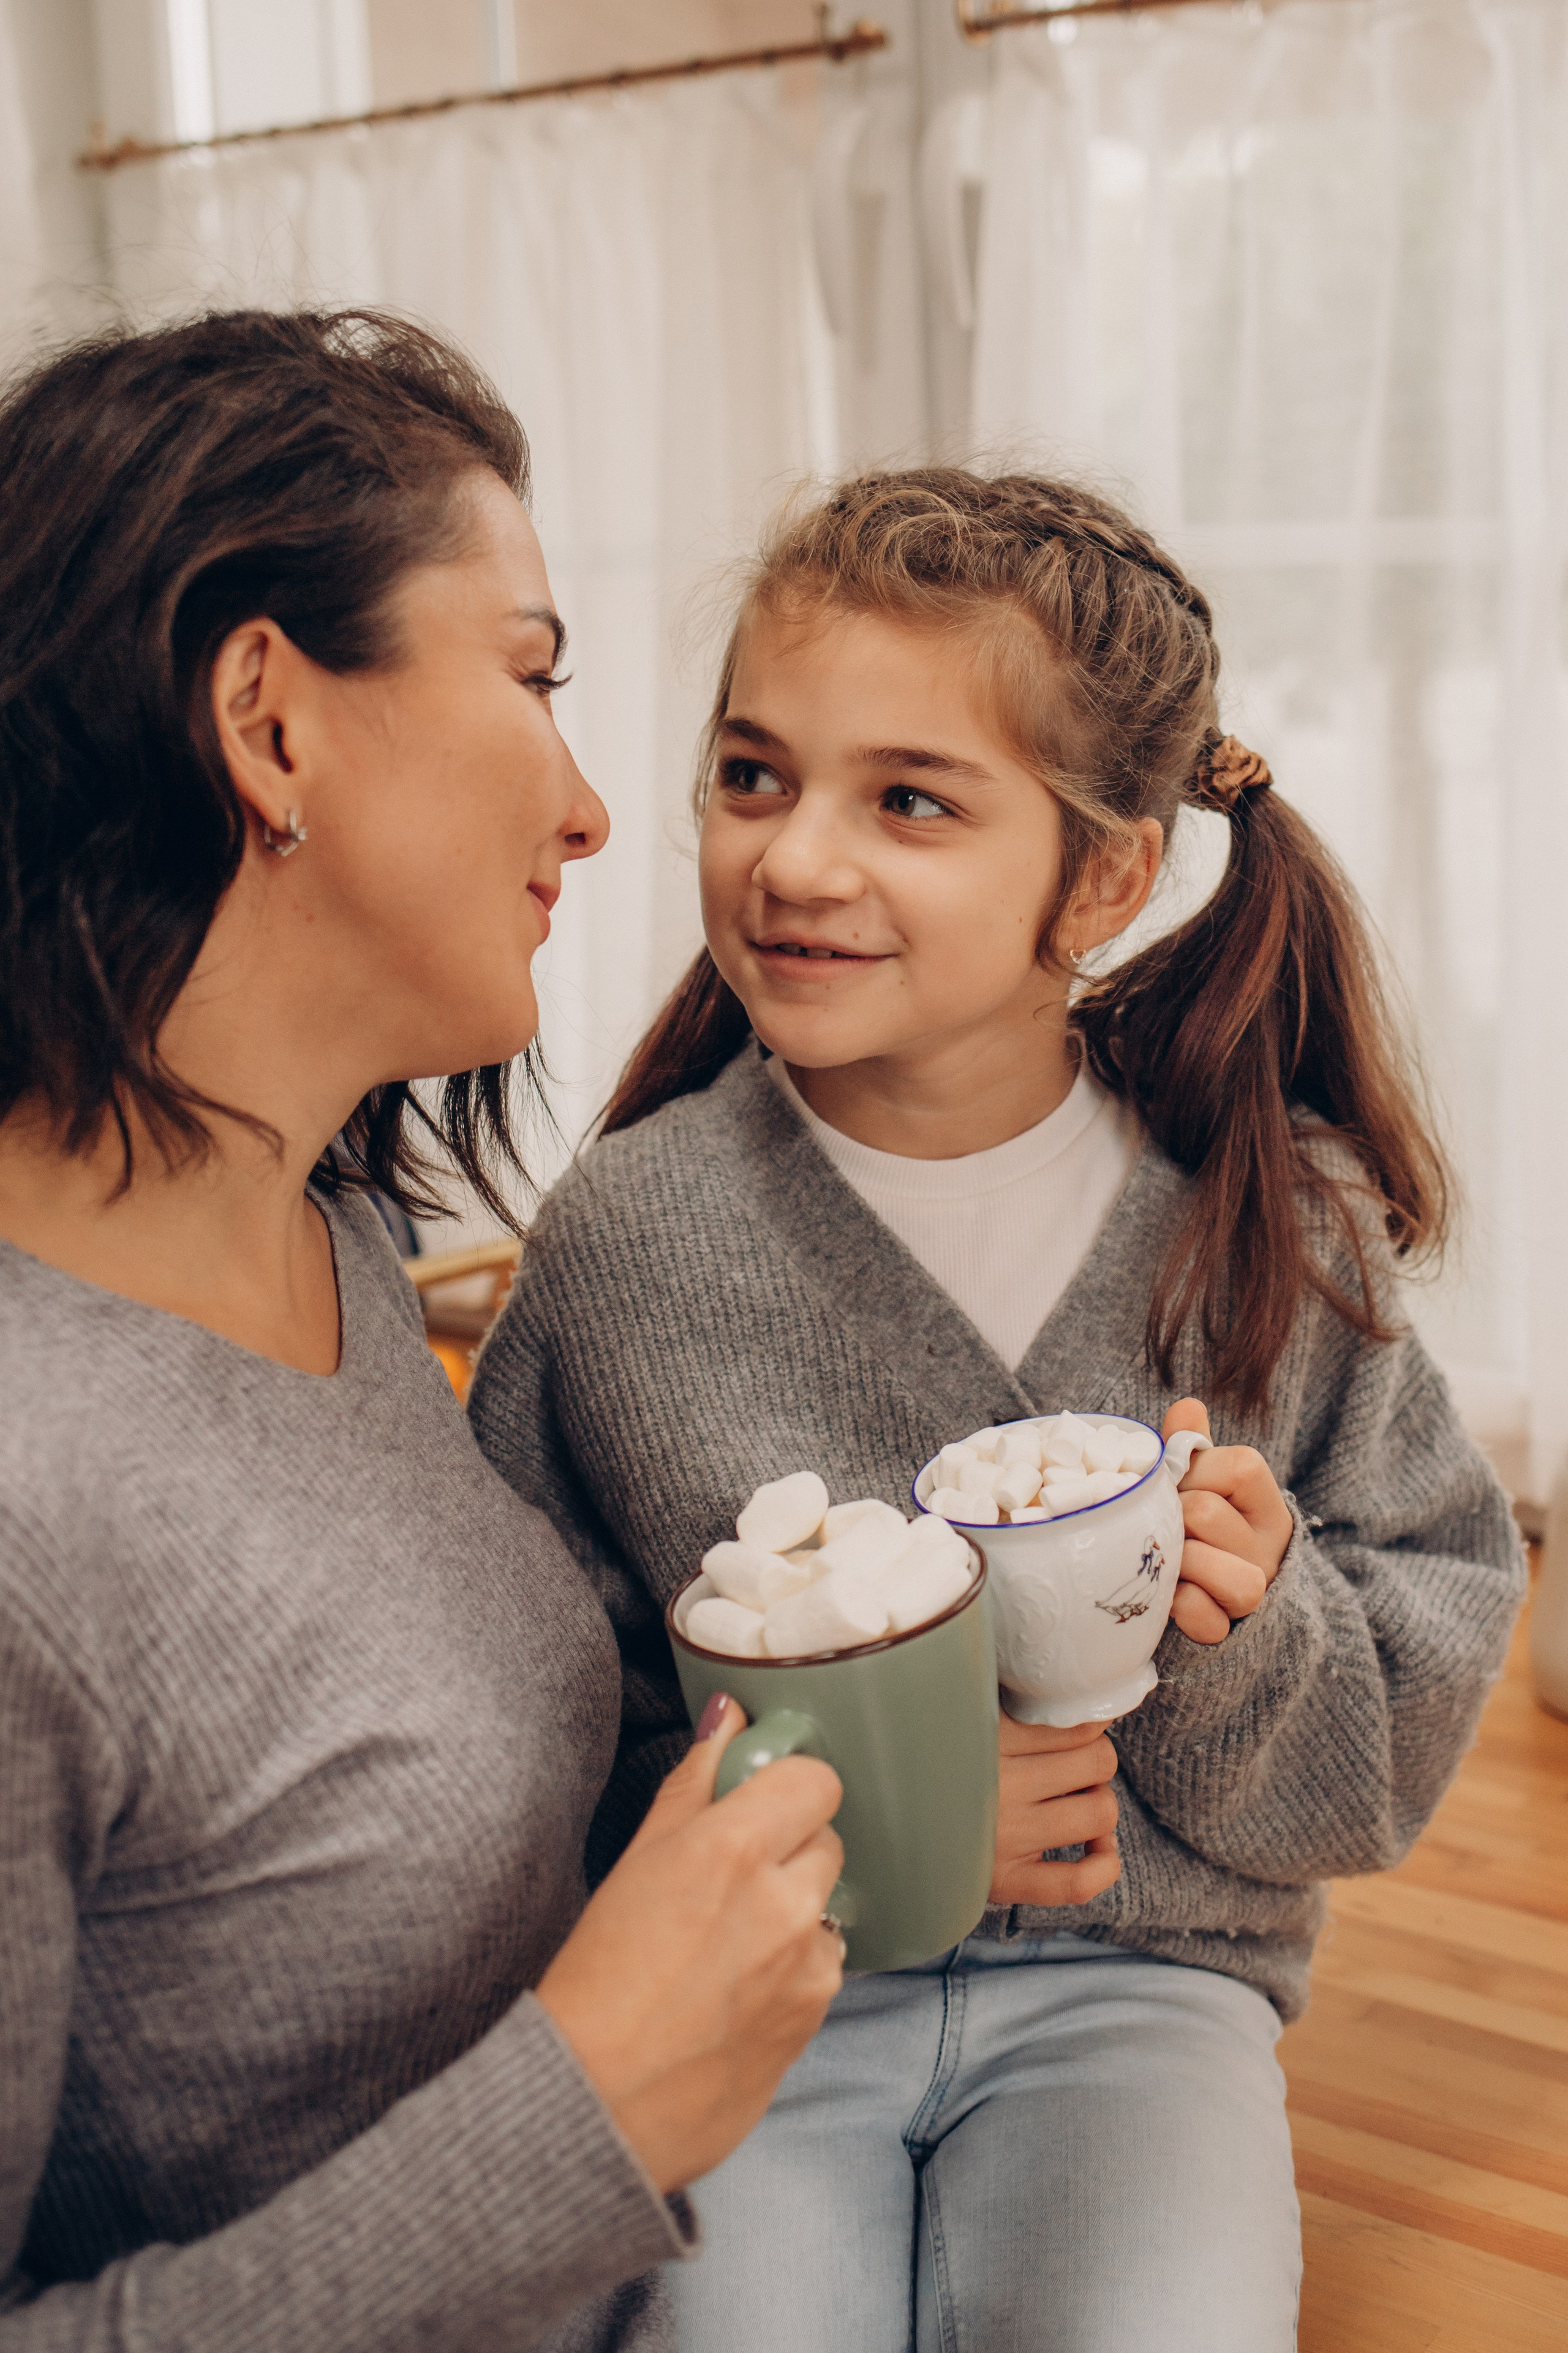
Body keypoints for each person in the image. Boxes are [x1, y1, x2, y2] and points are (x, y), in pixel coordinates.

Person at [467, 469, 1526, 2352]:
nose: (795, 858)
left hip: (1148, 1999)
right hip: (761, 2006)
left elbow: (1368, 1772)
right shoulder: (627, 1242)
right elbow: (522, 1733)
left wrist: (1243, 1630)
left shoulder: (1274, 1222)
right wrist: (848, 1822)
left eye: (911, 801)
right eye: (752, 774)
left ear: (1104, 875)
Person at [0, 309, 848, 2353]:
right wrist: (597, 2102)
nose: (590, 809)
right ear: (270, 721)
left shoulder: (328, 1228)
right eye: (534, 678)